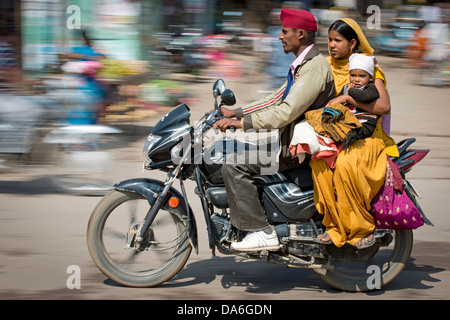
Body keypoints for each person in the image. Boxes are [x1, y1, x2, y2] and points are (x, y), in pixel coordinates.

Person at [212, 9, 335, 252]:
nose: (280, 36)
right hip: (288, 144)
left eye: (284, 31)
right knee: (235, 153)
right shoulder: (303, 65)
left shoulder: (314, 68)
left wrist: (242, 124)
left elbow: (284, 112)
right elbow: (275, 98)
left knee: (234, 164)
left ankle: (261, 231)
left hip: (297, 152)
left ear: (300, 34)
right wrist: (235, 112)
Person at [312, 19, 398, 249]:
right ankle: (333, 226)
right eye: (329, 39)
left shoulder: (370, 69)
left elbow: (382, 107)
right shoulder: (324, 66)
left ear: (352, 43)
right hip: (337, 131)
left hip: (367, 135)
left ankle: (360, 228)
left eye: (337, 40)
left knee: (346, 164)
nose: (331, 45)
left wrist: (350, 98)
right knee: (319, 161)